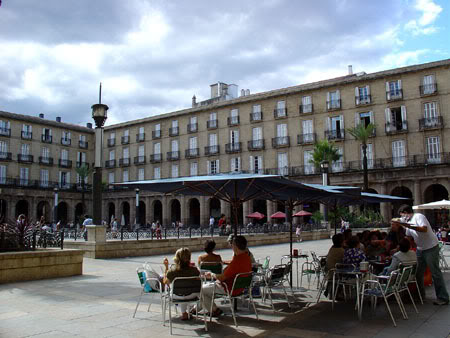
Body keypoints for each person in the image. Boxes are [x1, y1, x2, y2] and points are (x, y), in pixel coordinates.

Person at [398, 205, 449, 305]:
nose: (403, 217)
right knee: (418, 273)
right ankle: (420, 296)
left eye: (403, 215)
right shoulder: (407, 223)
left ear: (406, 212)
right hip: (420, 249)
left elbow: (424, 229)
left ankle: (443, 298)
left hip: (431, 247)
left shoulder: (419, 217)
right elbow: (408, 237)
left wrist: (409, 226)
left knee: (435, 273)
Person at [198, 236, 252, 317]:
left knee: (199, 291)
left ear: (235, 246)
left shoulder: (237, 261)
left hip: (227, 287)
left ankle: (214, 310)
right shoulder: (247, 258)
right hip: (239, 288)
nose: (231, 246)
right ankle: (196, 309)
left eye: (232, 244)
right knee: (206, 291)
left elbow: (222, 277)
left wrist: (212, 275)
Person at [162, 248, 200, 321]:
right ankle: (185, 313)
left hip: (176, 295)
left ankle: (184, 313)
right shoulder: (195, 270)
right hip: (192, 295)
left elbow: (165, 282)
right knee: (185, 288)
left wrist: (166, 267)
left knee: (180, 290)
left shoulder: (172, 271)